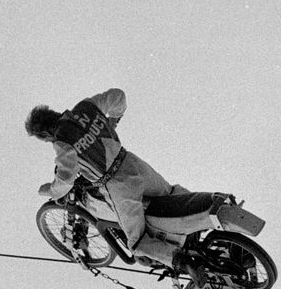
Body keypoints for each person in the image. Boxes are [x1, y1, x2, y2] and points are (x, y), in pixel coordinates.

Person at [26, 88, 189, 269]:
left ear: (45, 135)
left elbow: (66, 179)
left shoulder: (62, 141)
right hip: (132, 162)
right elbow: (118, 96)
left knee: (137, 242)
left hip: (116, 183)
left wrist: (49, 190)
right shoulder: (85, 107)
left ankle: (180, 261)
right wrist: (112, 122)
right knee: (171, 195)